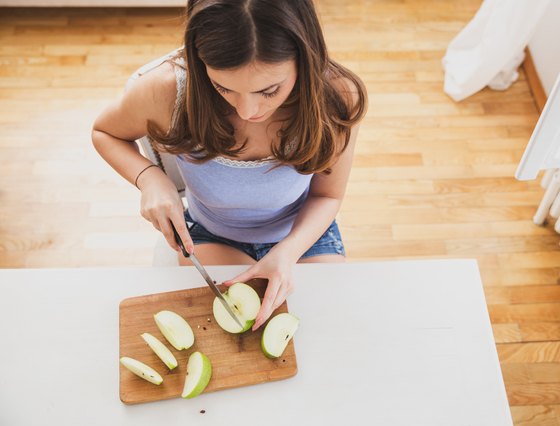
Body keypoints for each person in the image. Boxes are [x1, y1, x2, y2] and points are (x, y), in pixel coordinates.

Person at [91, 0, 367, 331]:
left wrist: (288, 252)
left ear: (304, 57)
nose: (248, 110)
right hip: (213, 235)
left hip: (303, 234)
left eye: (268, 90)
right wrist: (149, 177)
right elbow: (104, 132)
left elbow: (327, 197)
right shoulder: (164, 90)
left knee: (325, 329)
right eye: (223, 87)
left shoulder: (337, 96)